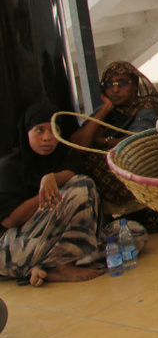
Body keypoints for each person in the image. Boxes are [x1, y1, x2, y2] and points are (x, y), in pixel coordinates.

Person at [0, 103, 123, 286]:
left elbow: (73, 173)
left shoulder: (64, 156)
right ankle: (62, 267)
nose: (47, 138)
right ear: (26, 133)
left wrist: (53, 179)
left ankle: (43, 268)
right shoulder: (10, 167)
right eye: (39, 130)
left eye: (54, 130)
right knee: (81, 186)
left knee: (132, 234)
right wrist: (45, 194)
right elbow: (9, 222)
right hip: (16, 247)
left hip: (55, 243)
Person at [69, 62, 158, 212]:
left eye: (122, 83)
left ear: (135, 85)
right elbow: (77, 147)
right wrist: (105, 109)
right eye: (109, 85)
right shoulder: (109, 109)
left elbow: (137, 141)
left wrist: (102, 141)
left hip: (146, 173)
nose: (115, 89)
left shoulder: (148, 106)